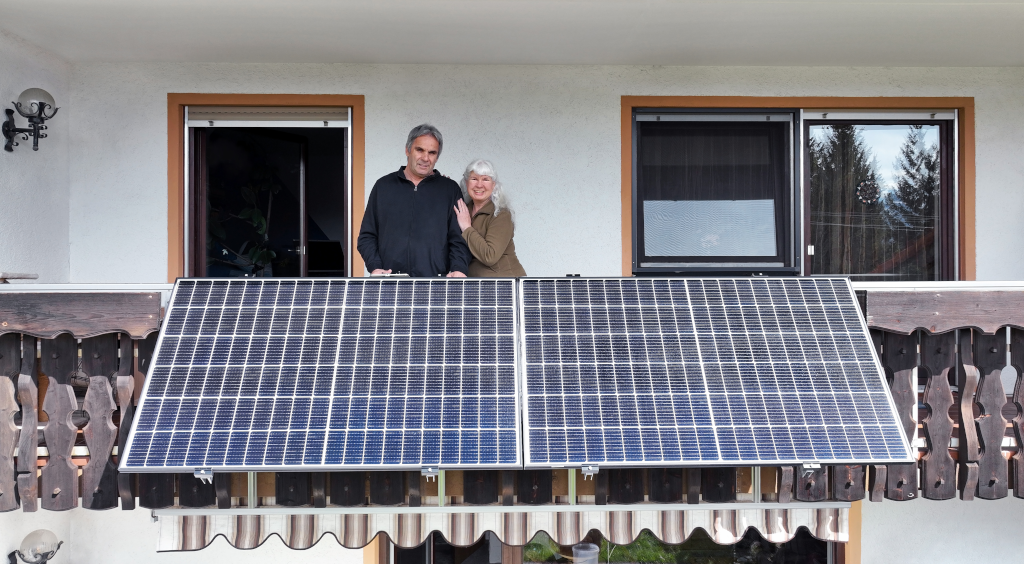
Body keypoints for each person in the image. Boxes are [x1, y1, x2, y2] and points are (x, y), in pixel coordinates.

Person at [357, 124, 470, 277]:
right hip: (389, 282)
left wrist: (458, 268)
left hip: (435, 284)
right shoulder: (383, 186)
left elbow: (458, 238)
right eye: (420, 150)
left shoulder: (449, 190)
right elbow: (367, 236)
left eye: (432, 153)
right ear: (407, 150)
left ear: (437, 157)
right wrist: (375, 267)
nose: (425, 158)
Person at [453, 159, 527, 277]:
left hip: (505, 285)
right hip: (476, 285)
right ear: (466, 182)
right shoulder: (463, 210)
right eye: (474, 179)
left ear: (493, 185)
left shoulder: (501, 214)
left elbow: (490, 256)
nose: (479, 185)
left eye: (486, 179)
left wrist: (467, 228)